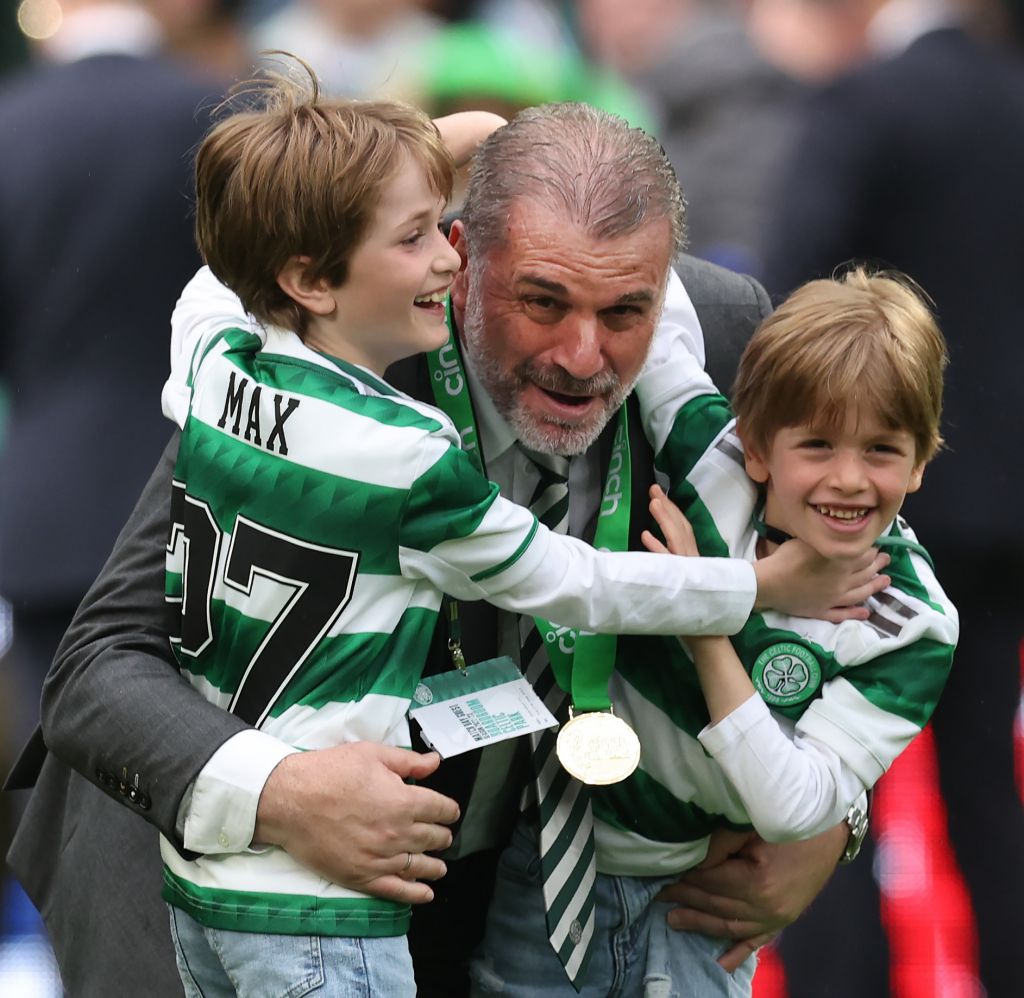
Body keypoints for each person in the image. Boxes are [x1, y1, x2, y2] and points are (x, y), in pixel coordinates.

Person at [6, 102, 883, 998]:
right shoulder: (326, 338)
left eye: (627, 311)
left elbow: (872, 587)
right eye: (541, 303)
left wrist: (833, 817)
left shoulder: (729, 332)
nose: (584, 356)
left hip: (563, 898)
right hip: (253, 890)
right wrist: (286, 794)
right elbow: (99, 664)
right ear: (460, 262)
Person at [470, 266, 957, 996]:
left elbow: (793, 806)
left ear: (920, 461)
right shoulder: (716, 456)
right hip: (551, 861)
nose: (850, 479)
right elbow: (652, 295)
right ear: (757, 447)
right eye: (818, 446)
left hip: (699, 904)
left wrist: (705, 617)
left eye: (882, 450)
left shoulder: (913, 622)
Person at [752, 3, 1024, 994]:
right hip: (1005, 510)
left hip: (862, 512)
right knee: (987, 790)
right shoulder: (1008, 103)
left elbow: (793, 293)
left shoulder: (868, 101)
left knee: (828, 770)